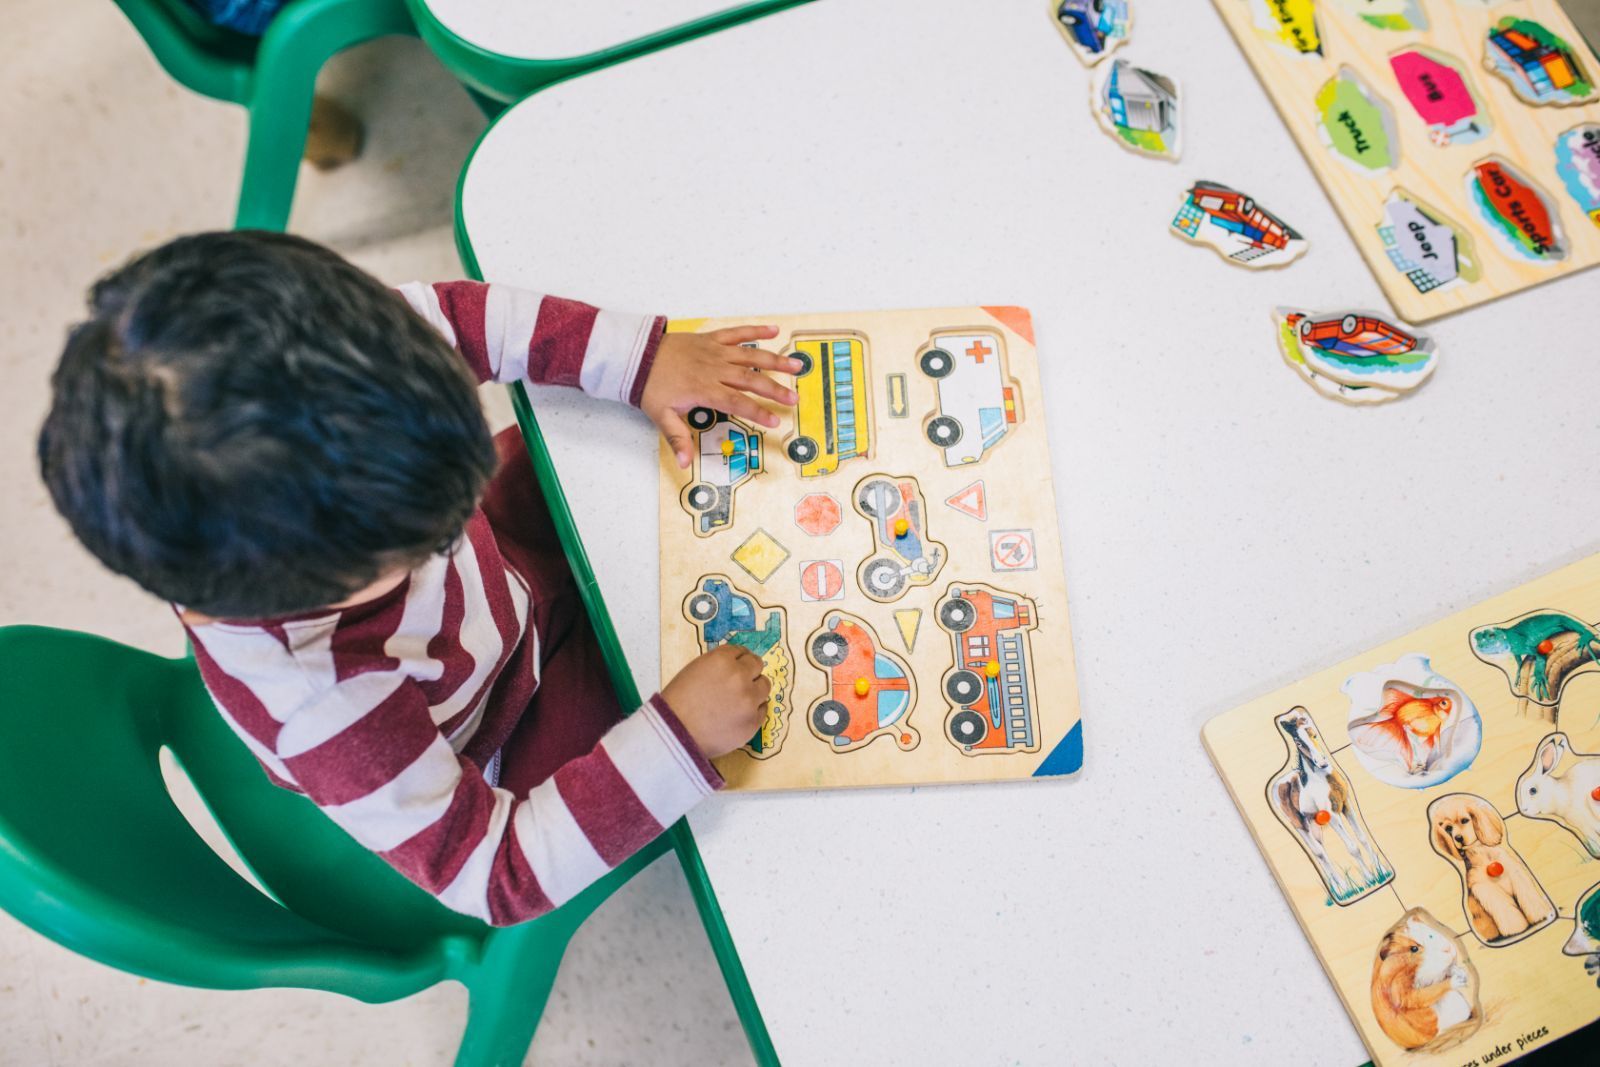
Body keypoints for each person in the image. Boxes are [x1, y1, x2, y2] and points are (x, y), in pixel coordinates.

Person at [39, 230, 793, 925]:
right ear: (305, 594)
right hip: (509, 721)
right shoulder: (331, 707)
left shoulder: (345, 360)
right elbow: (497, 876)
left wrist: (642, 359)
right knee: (740, 702)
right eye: (418, 543)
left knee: (643, 465)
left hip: (502, 581)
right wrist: (678, 738)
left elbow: (459, 317)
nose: (452, 516)